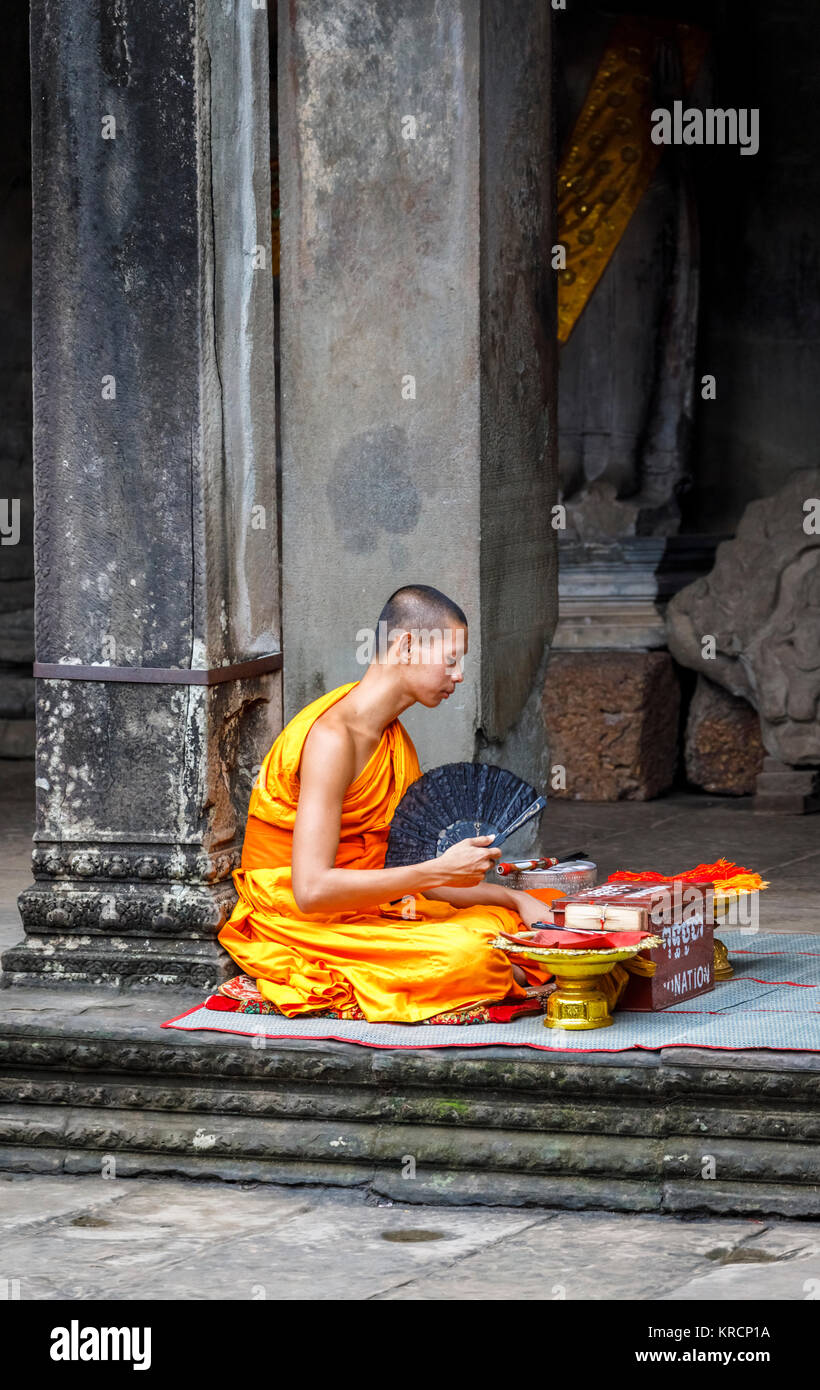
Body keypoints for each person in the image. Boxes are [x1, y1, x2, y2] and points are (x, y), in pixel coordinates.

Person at [217, 585, 553, 1023]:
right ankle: (486, 975)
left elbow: (411, 873)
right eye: (451, 659)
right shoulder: (332, 739)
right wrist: (435, 870)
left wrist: (514, 901)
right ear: (407, 646)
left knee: (524, 920)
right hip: (303, 921)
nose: (460, 675)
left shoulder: (395, 741)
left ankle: (495, 967)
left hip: (371, 906)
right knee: (470, 956)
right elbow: (312, 891)